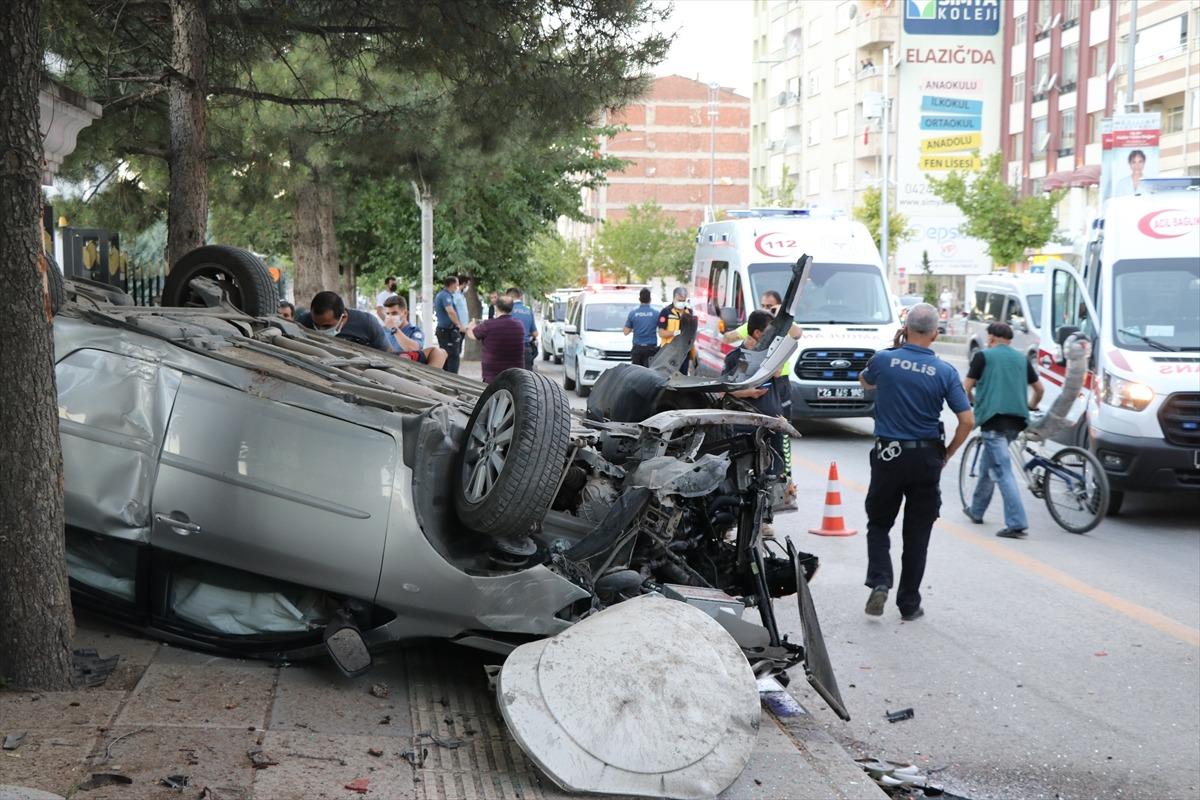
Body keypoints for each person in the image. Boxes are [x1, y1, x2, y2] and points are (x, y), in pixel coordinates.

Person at [858, 303, 974, 621]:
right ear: (935, 333)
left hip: (889, 455)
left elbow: (865, 381)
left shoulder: (883, 360)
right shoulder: (945, 371)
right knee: (918, 533)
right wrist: (948, 453)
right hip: (926, 457)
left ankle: (880, 581)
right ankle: (909, 604)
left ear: (906, 328)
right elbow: (967, 420)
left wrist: (895, 348)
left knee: (879, 524)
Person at [962, 321, 1044, 539]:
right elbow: (1039, 390)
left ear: (990, 337)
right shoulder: (1021, 359)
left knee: (1002, 471)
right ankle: (977, 510)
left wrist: (973, 403)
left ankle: (1016, 523)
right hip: (1016, 422)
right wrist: (1030, 406)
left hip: (993, 421)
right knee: (989, 464)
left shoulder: (983, 356)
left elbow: (965, 387)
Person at [723, 310, 787, 480]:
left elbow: (777, 373)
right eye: (770, 332)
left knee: (775, 472)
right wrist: (748, 393)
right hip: (744, 425)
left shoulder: (772, 354)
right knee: (743, 474)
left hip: (773, 423)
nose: (774, 336)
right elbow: (725, 390)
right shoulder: (734, 357)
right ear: (758, 333)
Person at [297, 291, 393, 352]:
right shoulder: (303, 322)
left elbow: (388, 354)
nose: (320, 330)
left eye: (326, 326)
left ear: (343, 317)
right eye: (316, 325)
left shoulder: (368, 323)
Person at [467, 295, 527, 382]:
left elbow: (472, 335)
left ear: (496, 307)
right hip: (515, 376)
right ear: (511, 308)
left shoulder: (488, 325)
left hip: (493, 377)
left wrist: (470, 326)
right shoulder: (519, 325)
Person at [382, 295, 448, 369]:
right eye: (388, 314)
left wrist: (394, 329)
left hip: (407, 368)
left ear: (405, 313)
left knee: (440, 352)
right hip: (386, 366)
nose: (390, 317)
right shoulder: (383, 330)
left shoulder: (414, 331)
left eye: (394, 313)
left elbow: (413, 349)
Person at [658, 287, 695, 374]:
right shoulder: (666, 312)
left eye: (683, 300)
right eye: (679, 300)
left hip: (683, 351)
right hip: (668, 351)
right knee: (668, 376)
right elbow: (661, 333)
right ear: (674, 298)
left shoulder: (689, 312)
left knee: (683, 376)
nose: (681, 302)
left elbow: (692, 334)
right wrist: (676, 333)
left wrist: (693, 353)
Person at [434, 276, 466, 373]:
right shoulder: (445, 296)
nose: (457, 286)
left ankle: (447, 377)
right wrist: (459, 325)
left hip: (445, 331)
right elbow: (451, 312)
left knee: (448, 356)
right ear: (452, 284)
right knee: (453, 357)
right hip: (446, 331)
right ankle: (452, 378)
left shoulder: (444, 295)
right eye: (456, 284)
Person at [623, 288, 660, 367]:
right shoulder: (656, 313)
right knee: (649, 372)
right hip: (651, 348)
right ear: (650, 299)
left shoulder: (633, 313)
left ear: (639, 299)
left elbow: (626, 332)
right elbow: (661, 331)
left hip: (637, 348)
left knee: (637, 372)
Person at [508, 288, 539, 370]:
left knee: (510, 376)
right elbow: (535, 333)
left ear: (509, 297)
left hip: (509, 349)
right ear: (520, 296)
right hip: (525, 349)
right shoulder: (528, 311)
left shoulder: (508, 310)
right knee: (526, 376)